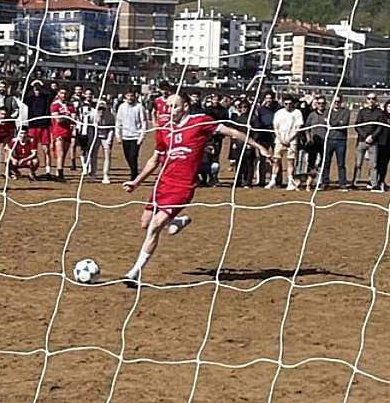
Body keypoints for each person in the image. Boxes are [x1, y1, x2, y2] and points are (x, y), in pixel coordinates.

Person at [121, 94, 269, 286]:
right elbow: (154, 159)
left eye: (174, 106)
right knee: (145, 222)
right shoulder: (164, 129)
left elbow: (231, 132)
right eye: (167, 107)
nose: (169, 110)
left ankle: (134, 273)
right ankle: (177, 220)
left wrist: (258, 146)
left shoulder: (200, 122)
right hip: (163, 184)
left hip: (183, 186)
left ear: (185, 107)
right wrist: (136, 182)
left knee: (155, 226)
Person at [269, 95, 302, 190]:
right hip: (279, 141)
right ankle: (273, 180)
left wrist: (289, 139)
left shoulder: (297, 112)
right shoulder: (278, 113)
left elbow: (297, 128)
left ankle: (290, 182)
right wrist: (281, 139)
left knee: (290, 161)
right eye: (286, 104)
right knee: (276, 161)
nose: (288, 105)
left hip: (292, 141)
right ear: (283, 103)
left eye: (290, 103)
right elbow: (276, 127)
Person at [353, 92, 384, 190]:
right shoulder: (362, 111)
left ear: (376, 100)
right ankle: (355, 182)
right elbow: (357, 125)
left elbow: (380, 126)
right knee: (358, 163)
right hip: (362, 141)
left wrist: (372, 137)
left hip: (373, 142)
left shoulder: (379, 112)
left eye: (373, 99)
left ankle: (373, 184)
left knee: (373, 165)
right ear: (366, 100)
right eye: (369, 98)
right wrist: (365, 136)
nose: (371, 101)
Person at [321, 93, 350, 191]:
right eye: (335, 101)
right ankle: (325, 182)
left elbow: (344, 123)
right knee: (326, 162)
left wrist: (334, 123)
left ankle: (342, 183)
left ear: (341, 102)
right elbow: (326, 122)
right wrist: (337, 122)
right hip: (329, 139)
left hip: (341, 140)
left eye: (338, 101)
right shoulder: (327, 111)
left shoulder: (346, 111)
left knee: (341, 163)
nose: (336, 103)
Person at [115, 89, 146, 182]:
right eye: (128, 96)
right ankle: (135, 172)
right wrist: (118, 135)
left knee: (133, 156)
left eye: (131, 96)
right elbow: (118, 121)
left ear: (135, 96)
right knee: (127, 157)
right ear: (125, 96)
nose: (130, 98)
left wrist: (141, 136)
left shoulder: (139, 107)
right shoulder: (122, 107)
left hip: (135, 136)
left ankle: (134, 175)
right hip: (125, 136)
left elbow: (143, 122)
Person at [48, 86, 75, 182]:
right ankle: (60, 174)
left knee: (64, 154)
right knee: (60, 153)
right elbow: (58, 120)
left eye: (65, 93)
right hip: (58, 131)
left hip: (68, 131)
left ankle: (58, 171)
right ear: (58, 93)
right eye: (62, 93)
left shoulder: (70, 105)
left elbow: (74, 118)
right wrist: (68, 118)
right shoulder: (55, 105)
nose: (63, 95)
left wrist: (67, 118)